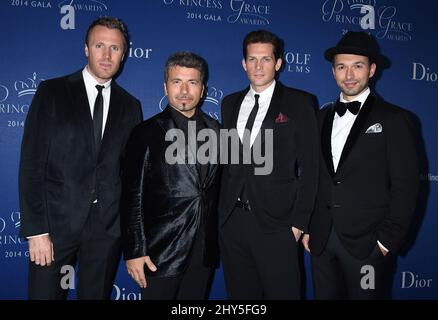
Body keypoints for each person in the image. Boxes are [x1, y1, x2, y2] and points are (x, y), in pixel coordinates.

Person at [18, 17, 142, 299]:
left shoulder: (130, 106)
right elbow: (31, 164)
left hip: (106, 230)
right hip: (54, 229)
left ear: (124, 54)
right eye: (100, 45)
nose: (107, 55)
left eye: (115, 48)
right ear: (86, 49)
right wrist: (36, 230)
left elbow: (130, 173)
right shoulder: (52, 92)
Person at [303, 31, 420, 299]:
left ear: (372, 70)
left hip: (367, 245)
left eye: (358, 66)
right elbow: (315, 177)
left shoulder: (394, 119)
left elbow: (406, 186)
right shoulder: (320, 117)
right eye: (342, 67)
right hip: (322, 241)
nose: (349, 74)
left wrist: (385, 241)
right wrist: (310, 225)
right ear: (333, 72)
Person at [218, 30, 319, 299]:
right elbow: (228, 162)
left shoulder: (300, 103)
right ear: (244, 63)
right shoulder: (229, 104)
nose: (258, 66)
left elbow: (312, 168)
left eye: (265, 59)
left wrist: (300, 222)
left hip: (278, 224)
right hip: (232, 223)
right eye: (252, 59)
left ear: (278, 63)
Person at [120, 51, 220, 300]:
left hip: (203, 249)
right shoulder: (145, 132)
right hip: (160, 251)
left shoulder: (218, 131)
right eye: (177, 82)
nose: (184, 90)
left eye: (192, 82)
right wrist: (134, 250)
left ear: (203, 88)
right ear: (165, 86)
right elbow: (132, 195)